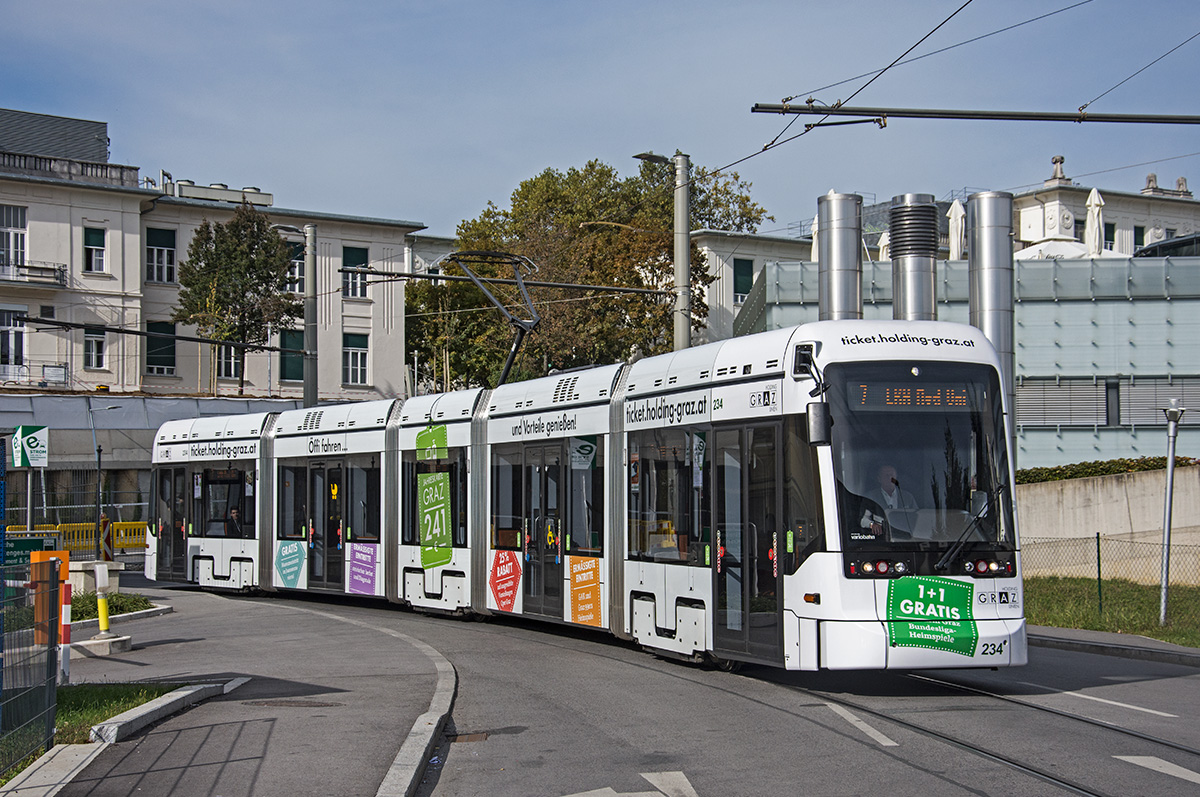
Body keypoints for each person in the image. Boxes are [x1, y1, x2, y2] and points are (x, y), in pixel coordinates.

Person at [859, 464, 918, 537]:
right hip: (880, 540)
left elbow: (917, 518)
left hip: (905, 538)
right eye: (886, 476)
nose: (890, 478)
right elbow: (863, 520)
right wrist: (872, 525)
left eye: (892, 475)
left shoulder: (907, 497)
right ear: (879, 479)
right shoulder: (870, 497)